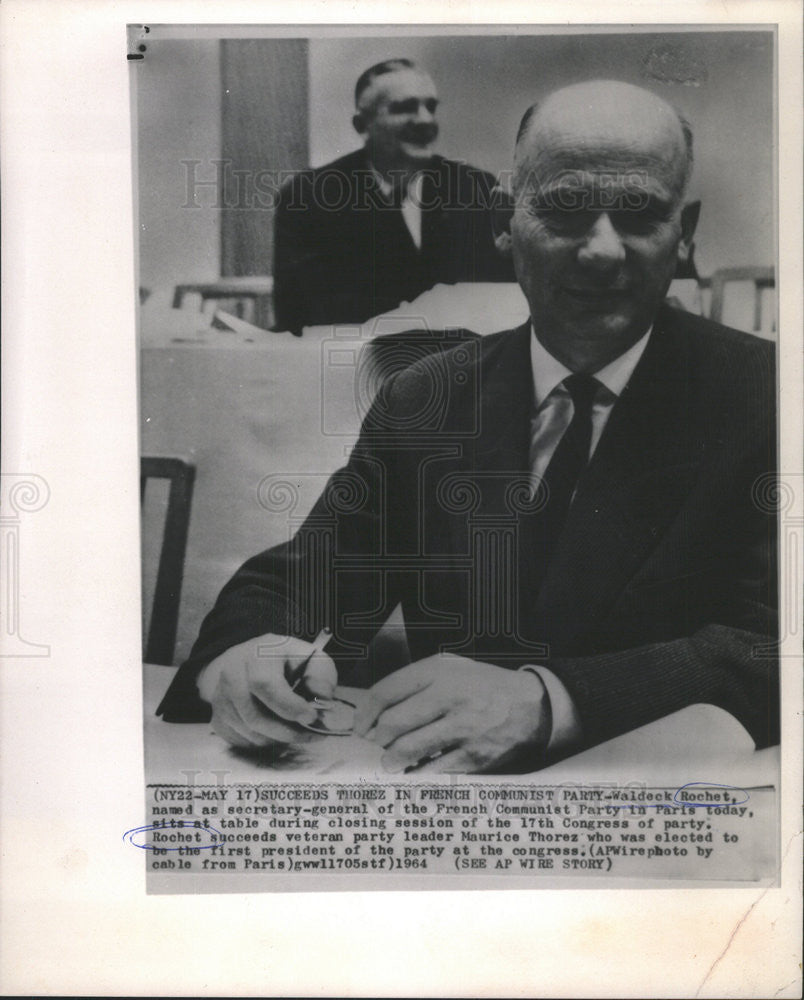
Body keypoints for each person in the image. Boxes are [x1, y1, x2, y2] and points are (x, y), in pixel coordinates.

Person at [158, 80, 778, 774]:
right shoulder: (430, 397)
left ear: (684, 232)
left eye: (640, 213)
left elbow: (777, 644)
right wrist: (250, 660)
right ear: (504, 223)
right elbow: (303, 581)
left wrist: (549, 702)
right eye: (567, 209)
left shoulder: (770, 398)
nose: (603, 250)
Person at [272, 58, 513, 334]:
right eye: (404, 108)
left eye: (431, 107)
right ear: (362, 125)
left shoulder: (475, 188)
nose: (425, 120)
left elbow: (500, 303)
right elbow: (298, 317)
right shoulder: (310, 197)